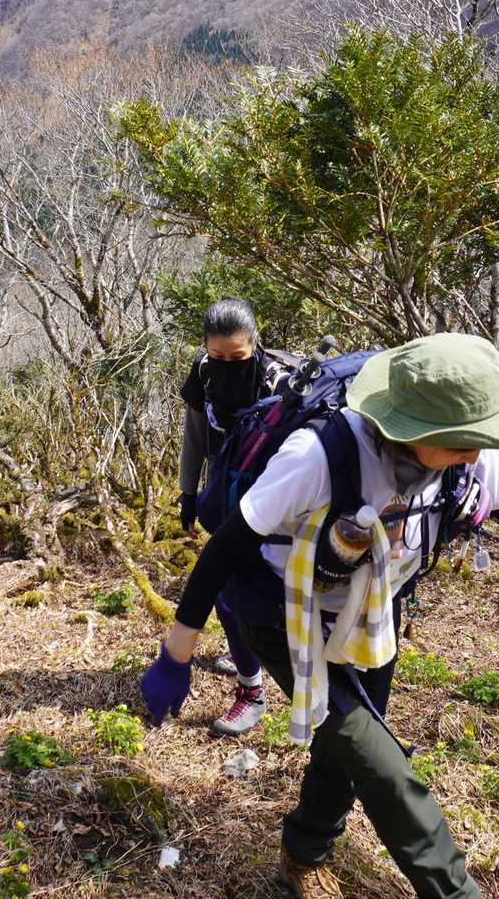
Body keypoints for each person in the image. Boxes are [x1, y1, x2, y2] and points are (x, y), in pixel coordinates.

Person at [142, 333, 499, 899]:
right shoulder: (318, 456)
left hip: (372, 611)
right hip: (283, 611)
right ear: (413, 431)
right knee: (382, 765)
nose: (476, 454)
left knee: (348, 753)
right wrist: (177, 655)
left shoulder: (466, 453)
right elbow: (224, 548)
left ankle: (305, 853)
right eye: (463, 442)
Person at [178, 297, 292, 736]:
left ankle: (254, 681)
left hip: (271, 499)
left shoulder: (279, 381)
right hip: (223, 491)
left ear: (255, 343)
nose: (226, 365)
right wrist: (188, 492)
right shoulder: (204, 372)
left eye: (236, 356)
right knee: (230, 593)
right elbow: (194, 435)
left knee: (240, 594)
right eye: (217, 355)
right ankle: (251, 672)